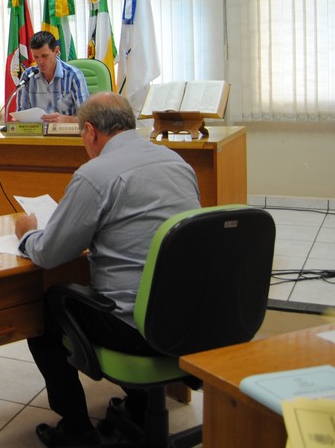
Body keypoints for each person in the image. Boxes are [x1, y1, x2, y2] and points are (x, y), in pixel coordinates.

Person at [14, 92, 200, 447]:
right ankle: (138, 409)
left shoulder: (95, 174)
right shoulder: (177, 163)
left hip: (136, 328)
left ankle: (77, 430)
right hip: (189, 319)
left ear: (88, 131)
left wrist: (28, 234)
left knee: (46, 306)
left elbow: (50, 254)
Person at [16, 31, 90, 124]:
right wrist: (17, 120)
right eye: (36, 57)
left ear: (56, 51)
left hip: (65, 135)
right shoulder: (28, 76)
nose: (40, 62)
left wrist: (66, 120)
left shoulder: (73, 76)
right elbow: (21, 114)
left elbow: (88, 118)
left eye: (44, 56)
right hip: (37, 136)